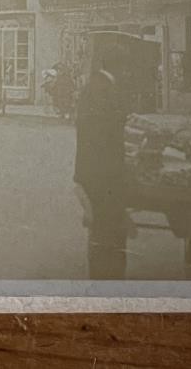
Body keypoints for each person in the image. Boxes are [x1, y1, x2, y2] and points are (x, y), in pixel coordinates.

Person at [74, 47, 131, 279]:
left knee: (101, 226)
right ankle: (108, 279)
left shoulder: (97, 86)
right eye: (125, 68)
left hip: (94, 170)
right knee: (108, 227)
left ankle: (103, 274)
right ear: (117, 67)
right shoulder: (103, 88)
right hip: (103, 172)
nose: (127, 72)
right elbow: (103, 127)